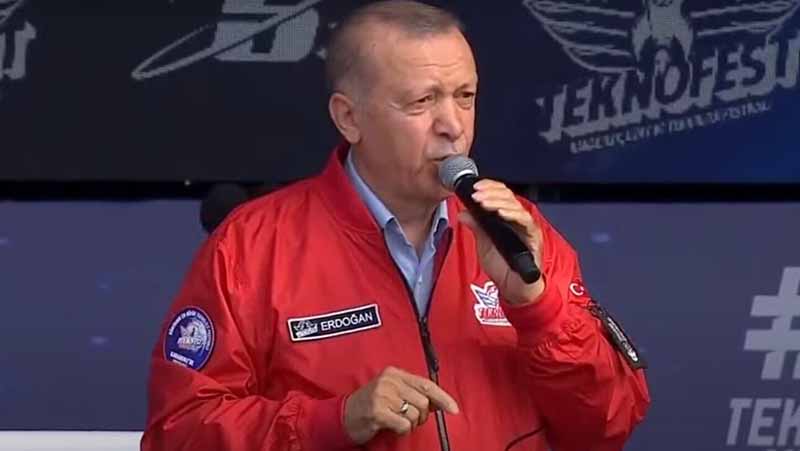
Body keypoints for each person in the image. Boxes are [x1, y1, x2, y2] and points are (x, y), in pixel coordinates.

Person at [140, 2, 651, 450]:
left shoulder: (517, 230)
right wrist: (334, 420)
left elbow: (607, 425)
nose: (453, 126)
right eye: (422, 102)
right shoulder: (252, 246)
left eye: (465, 96)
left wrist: (537, 308)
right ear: (349, 118)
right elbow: (179, 435)